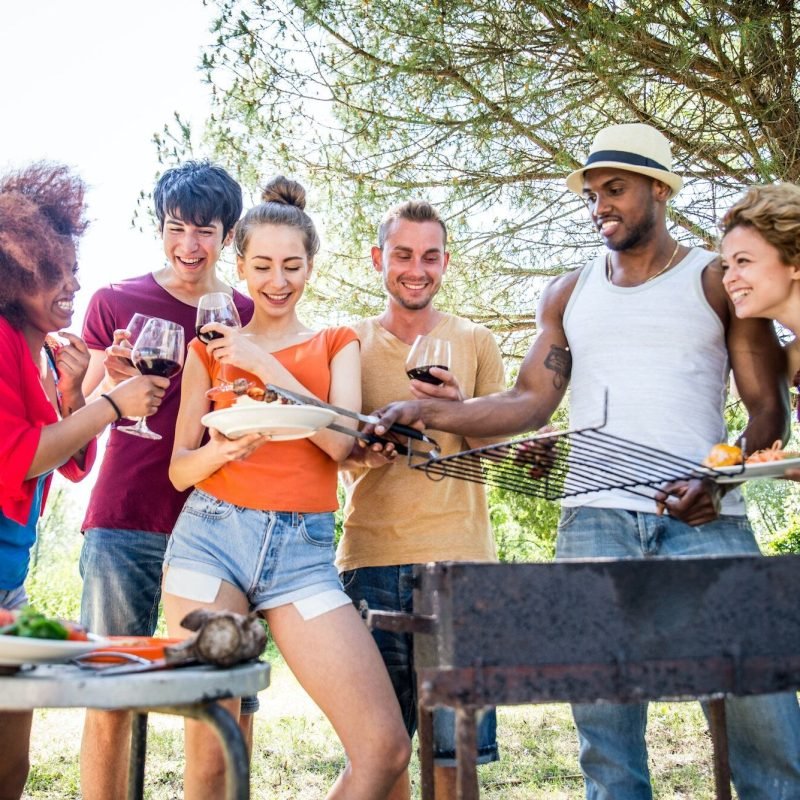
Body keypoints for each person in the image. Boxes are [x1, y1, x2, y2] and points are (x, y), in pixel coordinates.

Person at [371, 123, 800, 799]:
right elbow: (529, 401)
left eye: (616, 189)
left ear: (658, 189)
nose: (600, 204)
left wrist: (717, 481)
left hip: (706, 519)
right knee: (606, 740)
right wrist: (428, 413)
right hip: (593, 522)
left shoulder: (719, 282)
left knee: (762, 715)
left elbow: (768, 412)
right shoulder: (567, 294)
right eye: (592, 192)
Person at [163, 175, 410, 799]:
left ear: (311, 267)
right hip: (209, 539)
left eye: (293, 266)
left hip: (302, 555)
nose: (278, 281)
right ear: (239, 264)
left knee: (384, 749)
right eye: (264, 265)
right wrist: (218, 450)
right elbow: (179, 468)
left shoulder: (335, 343)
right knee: (215, 754)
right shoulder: (207, 349)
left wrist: (268, 369)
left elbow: (336, 444)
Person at [78, 160, 254, 800]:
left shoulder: (242, 310)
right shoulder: (114, 302)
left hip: (217, 524)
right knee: (111, 691)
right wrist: (112, 381)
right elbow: (77, 414)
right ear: (160, 227)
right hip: (124, 520)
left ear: (227, 235)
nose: (189, 246)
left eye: (205, 231)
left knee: (224, 697)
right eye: (177, 228)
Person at [0, 162, 165, 800]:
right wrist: (114, 404)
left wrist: (75, 391)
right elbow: (19, 458)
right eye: (53, 273)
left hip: (8, 587)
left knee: (11, 767)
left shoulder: (37, 350)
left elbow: (70, 464)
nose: (71, 286)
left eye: (73, 271)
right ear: (13, 272)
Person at [337, 200, 505, 799]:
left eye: (429, 256)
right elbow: (333, 452)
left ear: (445, 262)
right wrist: (365, 450)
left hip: (460, 567)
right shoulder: (347, 343)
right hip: (370, 560)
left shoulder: (476, 341)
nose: (417, 268)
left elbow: (495, 452)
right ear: (378, 258)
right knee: (378, 760)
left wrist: (456, 408)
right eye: (403, 255)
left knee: (453, 758)